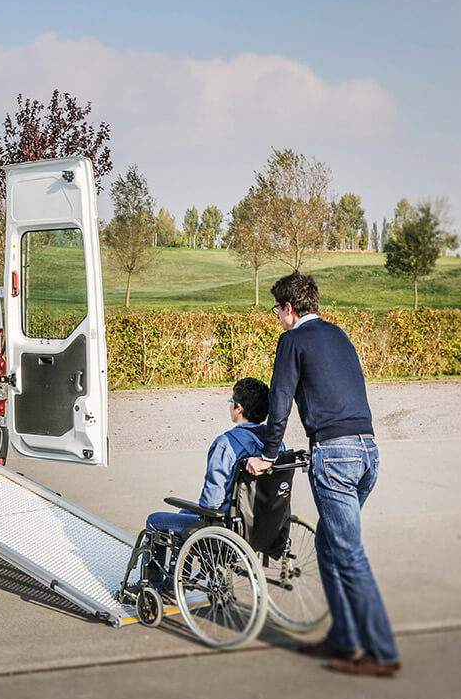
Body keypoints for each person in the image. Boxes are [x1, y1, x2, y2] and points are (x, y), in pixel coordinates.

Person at [246, 272, 400, 677]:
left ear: (291, 309)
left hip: (334, 457)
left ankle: (382, 653)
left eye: (278, 310)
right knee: (332, 547)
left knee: (349, 554)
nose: (278, 318)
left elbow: (280, 402)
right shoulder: (340, 335)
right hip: (368, 453)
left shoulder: (292, 340)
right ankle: (346, 640)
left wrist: (267, 455)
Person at [144, 377, 270, 588]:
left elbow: (211, 502)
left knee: (154, 521)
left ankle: (155, 585)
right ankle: (178, 576)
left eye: (231, 402)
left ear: (238, 408)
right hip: (261, 523)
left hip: (226, 526)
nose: (230, 405)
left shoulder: (226, 444)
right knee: (185, 515)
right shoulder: (275, 445)